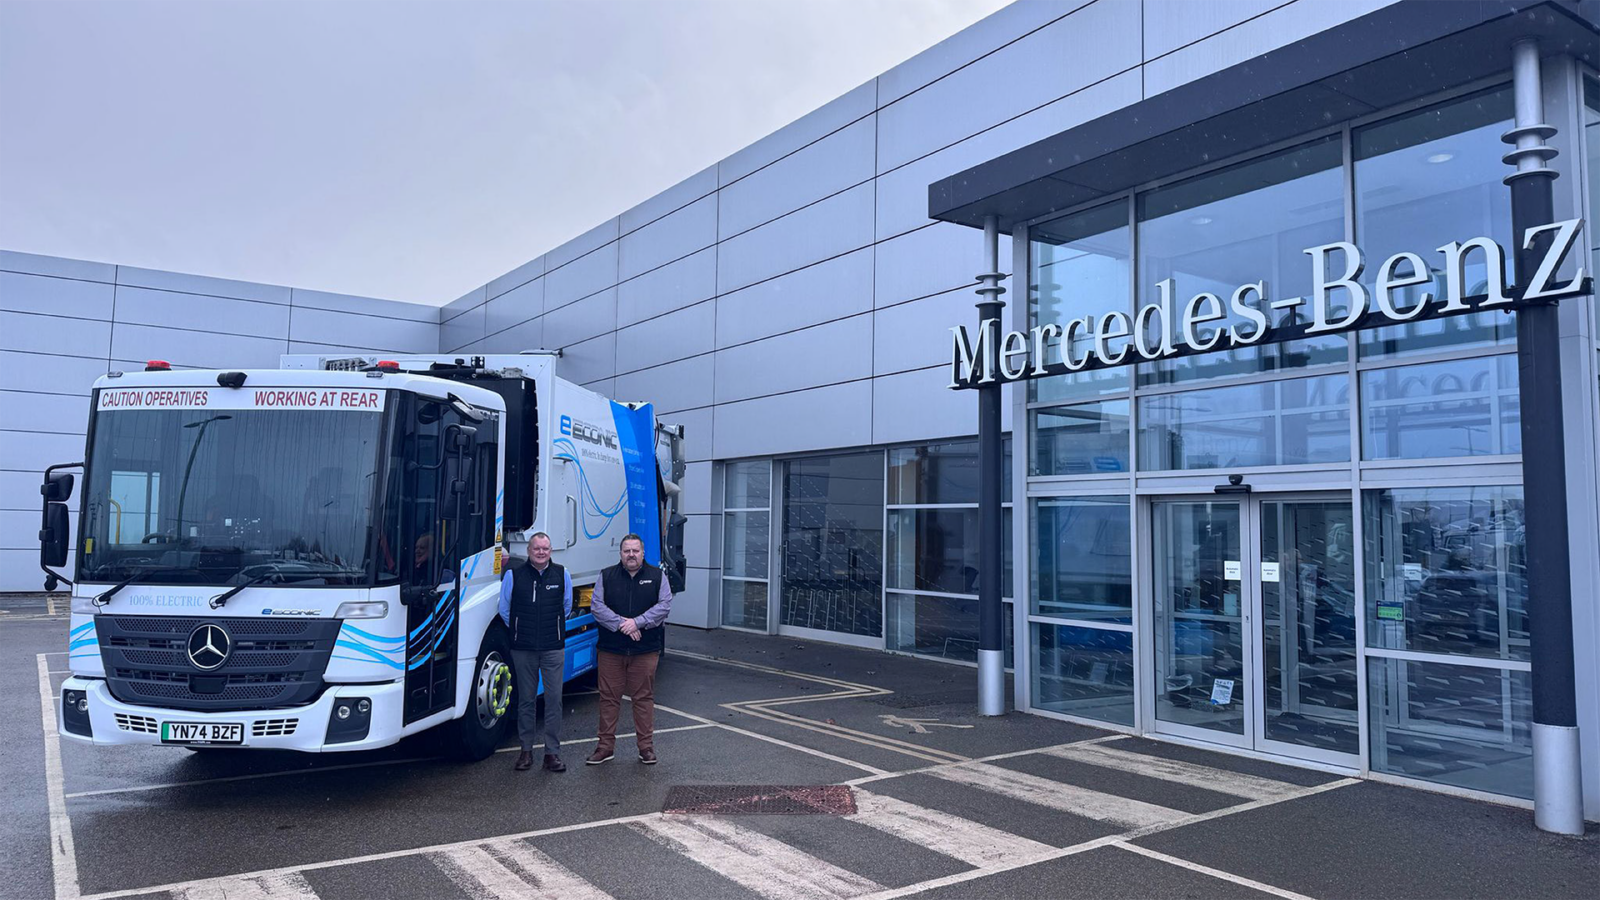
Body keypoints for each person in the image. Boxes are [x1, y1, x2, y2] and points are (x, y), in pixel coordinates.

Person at [586, 533, 672, 765]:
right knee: (608, 698)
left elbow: (664, 606)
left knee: (643, 698)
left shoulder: (658, 576)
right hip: (611, 650)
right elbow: (597, 606)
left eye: (635, 550)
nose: (631, 555)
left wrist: (638, 622)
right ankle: (605, 748)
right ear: (621, 554)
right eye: (627, 551)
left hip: (645, 650)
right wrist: (623, 625)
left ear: (643, 553)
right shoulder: (607, 575)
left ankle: (646, 748)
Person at [498, 532, 573, 773]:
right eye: (537, 549)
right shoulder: (514, 575)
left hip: (553, 648)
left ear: (551, 551)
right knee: (526, 701)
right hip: (523, 649)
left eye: (546, 549)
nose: (541, 553)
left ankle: (552, 754)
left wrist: (553, 629)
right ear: (529, 551)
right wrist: (521, 630)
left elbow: (567, 607)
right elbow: (504, 609)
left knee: (554, 701)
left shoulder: (562, 574)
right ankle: (526, 751)